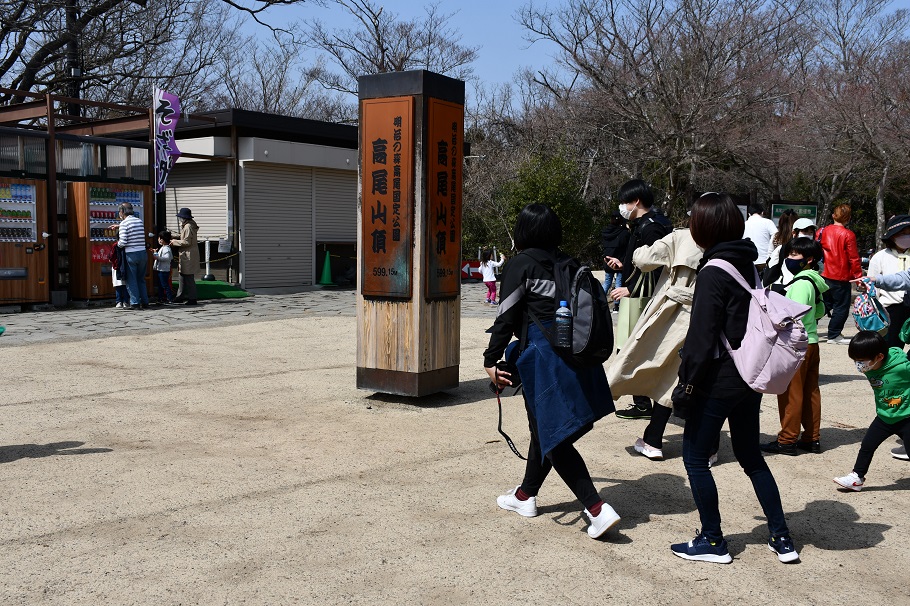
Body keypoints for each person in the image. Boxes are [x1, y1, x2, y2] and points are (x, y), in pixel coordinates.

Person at [670, 192, 799, 564]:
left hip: (720, 377)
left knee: (695, 458)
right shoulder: (749, 263)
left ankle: (712, 541)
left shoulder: (713, 271)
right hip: (750, 375)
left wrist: (686, 382)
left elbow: (701, 338)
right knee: (751, 456)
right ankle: (782, 537)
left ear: (703, 227)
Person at [484, 203, 621, 539]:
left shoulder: (521, 264)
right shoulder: (569, 263)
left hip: (543, 359)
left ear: (523, 231)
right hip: (575, 352)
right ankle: (525, 496)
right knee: (543, 429)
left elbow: (505, 318)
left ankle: (597, 509)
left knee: (553, 436)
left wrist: (491, 359)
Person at [607, 224, 704, 461]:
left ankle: (654, 439)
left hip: (674, 314)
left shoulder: (682, 236)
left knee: (663, 371)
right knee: (697, 380)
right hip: (710, 316)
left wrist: (637, 244)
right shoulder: (728, 243)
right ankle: (706, 447)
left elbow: (644, 259)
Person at [605, 179, 671, 419]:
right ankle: (642, 401)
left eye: (625, 202)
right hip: (641, 293)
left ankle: (643, 403)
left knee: (632, 348)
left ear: (636, 201)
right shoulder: (648, 224)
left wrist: (630, 289)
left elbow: (654, 268)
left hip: (641, 299)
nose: (622, 207)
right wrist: (624, 266)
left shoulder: (649, 227)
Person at [761, 238, 828, 456]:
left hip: (796, 345)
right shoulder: (815, 281)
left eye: (794, 255)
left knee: (791, 392)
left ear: (809, 260)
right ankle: (811, 438)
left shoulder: (800, 284)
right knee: (810, 391)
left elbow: (790, 315)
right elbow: (818, 313)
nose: (789, 258)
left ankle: (788, 439)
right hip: (812, 342)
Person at [834, 331, 910, 491]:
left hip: (907, 417)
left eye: (861, 361)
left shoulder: (902, 367)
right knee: (867, 445)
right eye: (855, 361)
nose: (858, 365)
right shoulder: (870, 366)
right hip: (884, 416)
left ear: (880, 357)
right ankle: (857, 478)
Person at [818, 204, 862, 344]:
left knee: (825, 303)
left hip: (823, 273)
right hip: (840, 275)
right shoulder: (848, 235)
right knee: (841, 306)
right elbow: (853, 258)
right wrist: (858, 276)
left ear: (833, 215)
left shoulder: (821, 231)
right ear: (848, 218)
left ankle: (806, 326)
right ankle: (834, 334)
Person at [866, 215, 910, 349]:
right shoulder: (880, 257)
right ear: (892, 236)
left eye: (909, 233)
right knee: (891, 347)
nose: (906, 237)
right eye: (903, 233)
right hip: (890, 309)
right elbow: (872, 286)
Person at [116, 202, 149, 310]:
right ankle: (145, 302)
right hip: (143, 253)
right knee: (141, 279)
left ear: (122, 212)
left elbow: (123, 242)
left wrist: (118, 244)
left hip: (131, 254)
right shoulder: (139, 221)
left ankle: (134, 302)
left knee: (131, 280)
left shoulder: (124, 224)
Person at [171, 207, 200, 306]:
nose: (180, 219)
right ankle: (180, 296)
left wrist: (175, 242)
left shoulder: (188, 227)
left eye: (181, 217)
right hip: (187, 254)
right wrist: (176, 237)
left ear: (184, 218)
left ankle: (192, 298)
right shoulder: (190, 225)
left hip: (188, 254)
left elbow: (187, 241)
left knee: (188, 277)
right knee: (182, 276)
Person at [601, 210, 630, 304]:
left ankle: (598, 299)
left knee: (607, 282)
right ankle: (617, 305)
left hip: (608, 260)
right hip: (620, 260)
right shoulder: (624, 233)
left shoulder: (606, 232)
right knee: (619, 283)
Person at [742, 203, 777, 272]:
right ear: (762, 212)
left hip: (748, 261)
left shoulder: (744, 224)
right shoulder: (768, 222)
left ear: (749, 214)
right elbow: (776, 236)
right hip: (764, 260)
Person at [150, 230, 175, 305]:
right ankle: (161, 298)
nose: (158, 240)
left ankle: (170, 298)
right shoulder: (163, 248)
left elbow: (167, 258)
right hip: (161, 269)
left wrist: (157, 257)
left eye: (159, 238)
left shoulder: (166, 249)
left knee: (165, 285)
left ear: (162, 240)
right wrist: (155, 253)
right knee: (161, 285)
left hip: (164, 270)